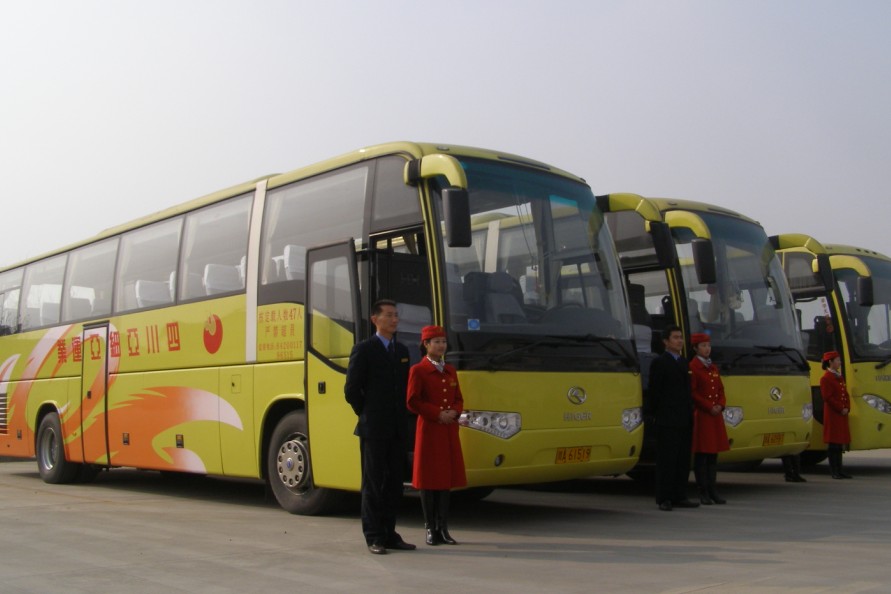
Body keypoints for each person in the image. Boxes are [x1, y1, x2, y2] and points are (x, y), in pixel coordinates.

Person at [344, 299, 417, 555]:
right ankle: (374, 536)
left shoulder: (402, 351)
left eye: (396, 315)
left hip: (397, 428)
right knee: (373, 483)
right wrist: (366, 413)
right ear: (375, 319)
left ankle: (390, 533)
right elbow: (351, 390)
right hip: (374, 429)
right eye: (389, 315)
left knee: (395, 484)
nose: (394, 320)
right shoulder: (364, 349)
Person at [406, 325, 467, 545]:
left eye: (443, 342)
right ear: (426, 344)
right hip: (430, 430)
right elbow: (413, 401)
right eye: (436, 342)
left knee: (445, 480)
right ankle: (430, 528)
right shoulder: (418, 370)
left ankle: (443, 527)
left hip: (448, 430)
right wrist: (437, 413)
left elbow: (458, 398)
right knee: (428, 480)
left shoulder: (450, 370)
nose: (441, 346)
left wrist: (454, 412)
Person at [648, 324, 699, 511]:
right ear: (666, 341)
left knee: (682, 459)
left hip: (684, 418)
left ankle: (680, 495)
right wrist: (655, 414)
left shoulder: (684, 362)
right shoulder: (660, 362)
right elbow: (655, 391)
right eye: (675, 338)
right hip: (667, 419)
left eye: (680, 337)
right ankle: (664, 498)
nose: (679, 341)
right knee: (667, 460)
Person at [689, 333, 729, 505]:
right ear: (695, 348)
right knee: (702, 455)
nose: (707, 349)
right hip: (703, 416)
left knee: (713, 456)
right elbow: (693, 392)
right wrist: (708, 406)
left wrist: (720, 404)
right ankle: (703, 491)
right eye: (703, 346)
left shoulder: (712, 367)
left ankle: (713, 490)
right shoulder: (693, 367)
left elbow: (720, 389)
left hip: (715, 417)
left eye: (708, 345)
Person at [820, 350, 852, 479]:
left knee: (839, 444)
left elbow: (845, 394)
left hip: (841, 414)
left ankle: (840, 470)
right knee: (833, 444)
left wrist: (847, 407)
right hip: (833, 414)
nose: (840, 362)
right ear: (830, 362)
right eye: (837, 360)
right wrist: (840, 408)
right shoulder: (826, 378)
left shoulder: (838, 376)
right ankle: (834, 471)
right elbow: (827, 397)